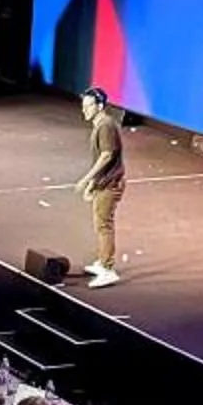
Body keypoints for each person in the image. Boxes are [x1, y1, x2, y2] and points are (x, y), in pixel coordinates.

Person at [75, 88, 126, 289]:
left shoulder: (105, 126)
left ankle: (108, 269)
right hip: (104, 182)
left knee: (104, 225)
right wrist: (92, 185)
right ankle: (102, 261)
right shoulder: (100, 124)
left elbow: (106, 156)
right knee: (99, 224)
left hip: (110, 184)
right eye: (83, 106)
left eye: (88, 106)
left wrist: (86, 179)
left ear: (100, 106)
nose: (84, 110)